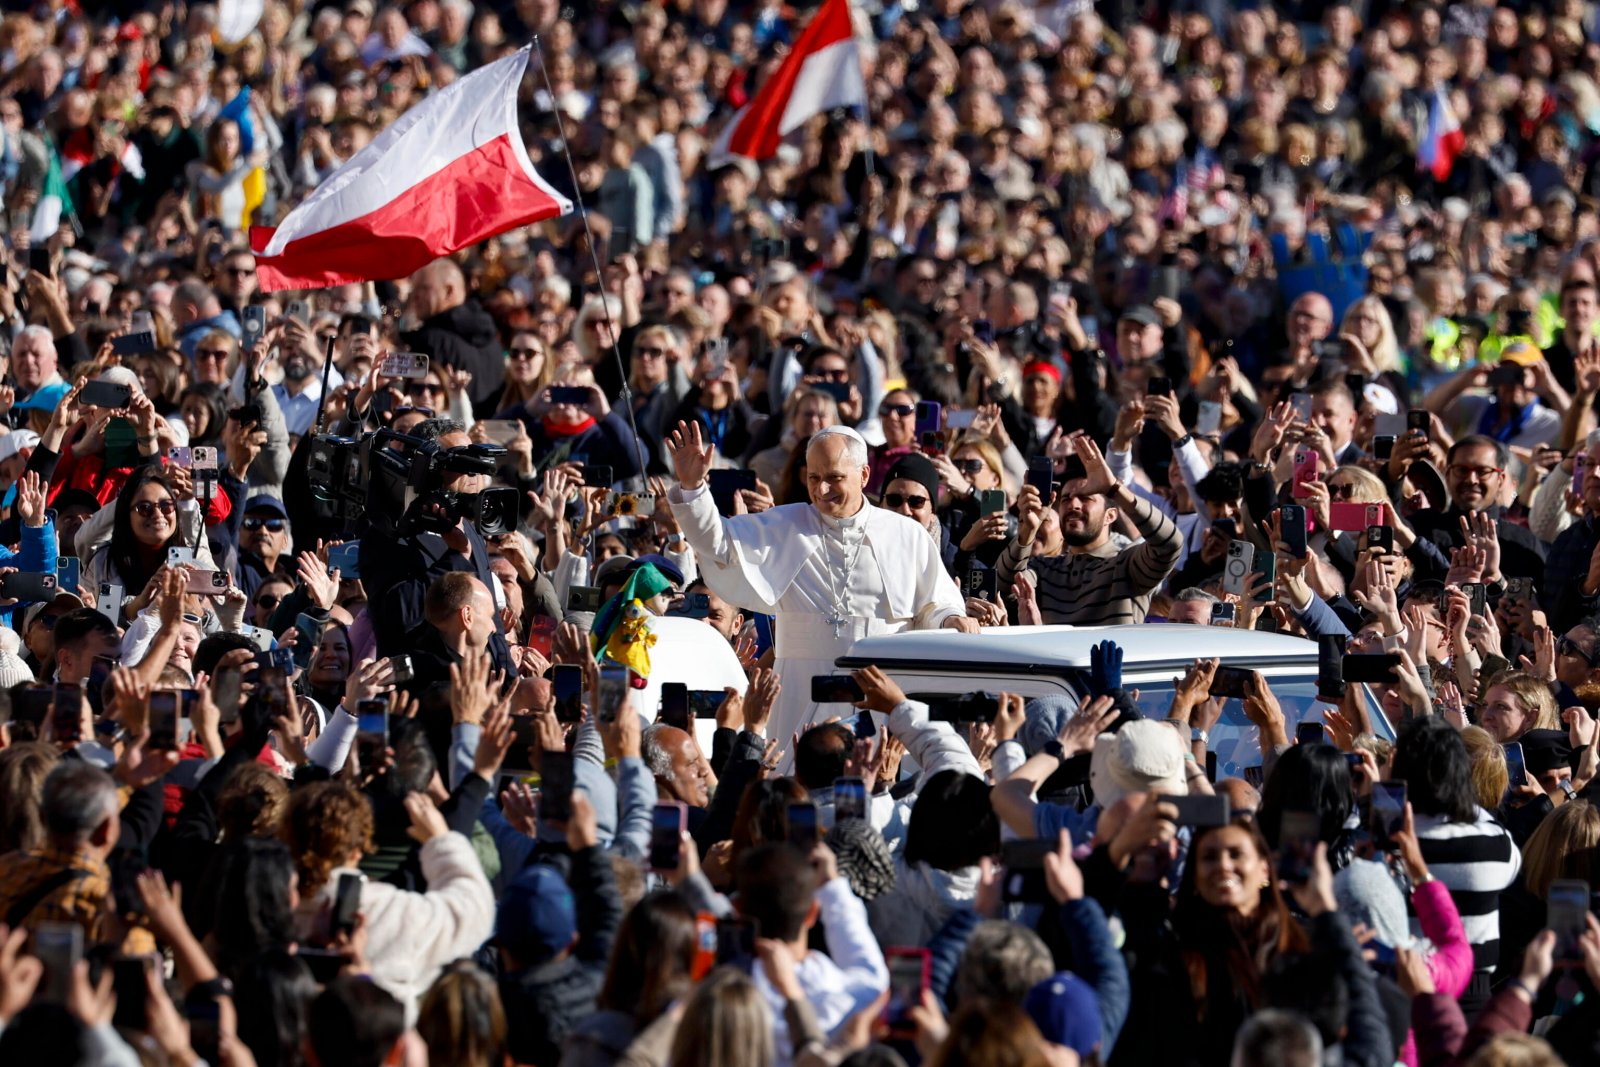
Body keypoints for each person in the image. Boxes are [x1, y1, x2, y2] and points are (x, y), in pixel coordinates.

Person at [666, 422, 972, 757]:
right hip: (800, 689)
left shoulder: (906, 535)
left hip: (878, 691)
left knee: (876, 775)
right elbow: (717, 544)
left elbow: (934, 603)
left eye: (834, 477)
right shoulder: (784, 525)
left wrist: (951, 619)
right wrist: (693, 489)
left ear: (864, 475)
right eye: (814, 477)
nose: (822, 488)